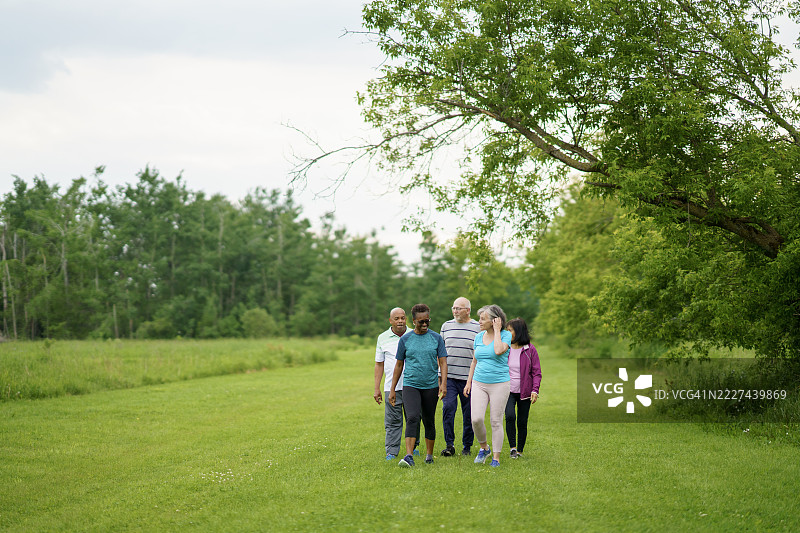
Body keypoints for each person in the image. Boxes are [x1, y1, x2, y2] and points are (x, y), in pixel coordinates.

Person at [388, 303, 448, 467]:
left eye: (427, 321)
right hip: (411, 384)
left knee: (429, 420)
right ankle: (409, 456)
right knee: (413, 417)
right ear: (413, 321)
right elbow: (399, 365)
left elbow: (443, 362)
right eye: (421, 321)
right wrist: (392, 389)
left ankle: (429, 455)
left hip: (430, 385)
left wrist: (443, 383)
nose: (424, 324)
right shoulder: (406, 339)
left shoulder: (436, 338)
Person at [464, 304, 512, 467]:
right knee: (476, 419)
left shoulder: (505, 335)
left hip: (500, 383)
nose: (479, 321)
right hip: (479, 383)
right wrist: (469, 382)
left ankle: (496, 458)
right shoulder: (478, 337)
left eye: (483, 319)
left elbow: (498, 350)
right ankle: (484, 448)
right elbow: (474, 361)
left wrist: (497, 331)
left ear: (494, 321)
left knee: (496, 421)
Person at [374, 307, 420, 460]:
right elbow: (379, 364)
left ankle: (414, 447)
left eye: (402, 318)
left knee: (413, 418)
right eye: (397, 319)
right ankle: (391, 452)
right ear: (390, 321)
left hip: (412, 385)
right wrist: (377, 388)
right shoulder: (382, 338)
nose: (400, 321)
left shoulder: (415, 334)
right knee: (393, 421)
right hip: (391, 387)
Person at [439, 296, 481, 457]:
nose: (455, 311)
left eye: (459, 308)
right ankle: (449, 445)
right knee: (448, 408)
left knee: (469, 413)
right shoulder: (446, 326)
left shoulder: (478, 327)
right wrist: (440, 378)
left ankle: (467, 446)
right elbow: (440, 354)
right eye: (454, 308)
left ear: (468, 310)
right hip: (448, 378)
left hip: (469, 379)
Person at [505, 317, 541, 459]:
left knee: (522, 421)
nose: (507, 333)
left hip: (525, 392)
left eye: (510, 330)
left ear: (518, 331)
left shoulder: (530, 349)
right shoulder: (505, 347)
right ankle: (512, 448)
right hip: (507, 390)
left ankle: (519, 451)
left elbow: (536, 372)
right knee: (509, 416)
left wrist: (535, 390)